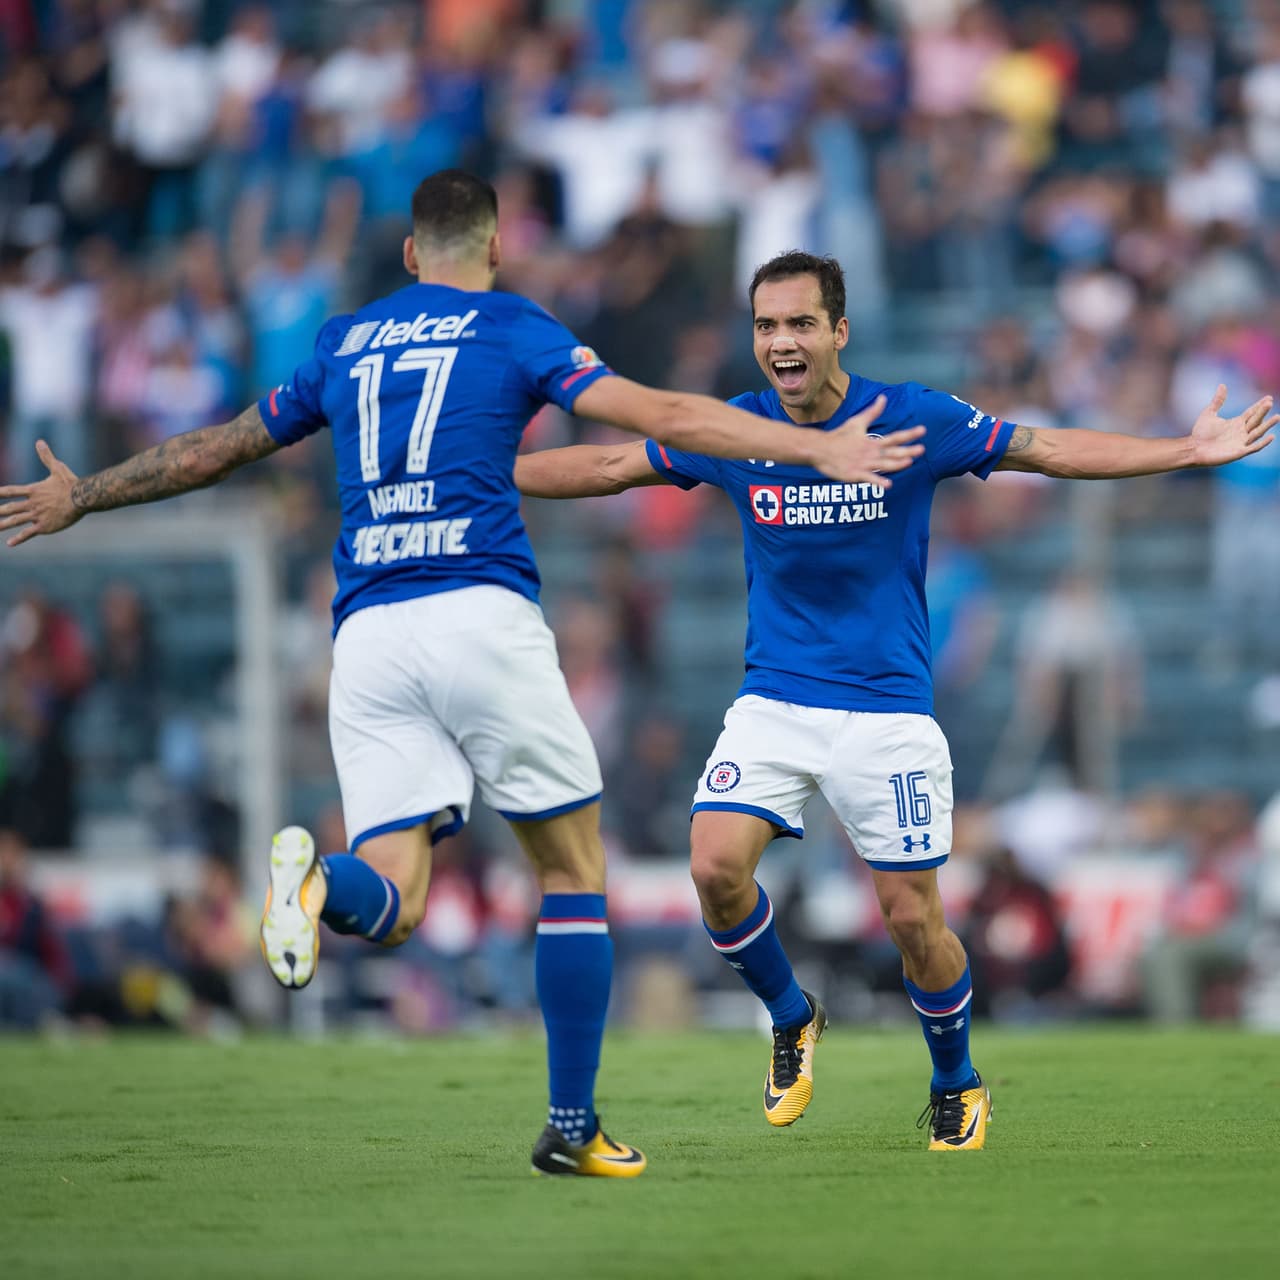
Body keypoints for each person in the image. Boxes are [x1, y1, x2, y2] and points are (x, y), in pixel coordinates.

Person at [0, 174, 925, 1178]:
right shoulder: (512, 325)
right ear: (494, 249)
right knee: (570, 871)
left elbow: (216, 449)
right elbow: (658, 411)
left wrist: (84, 494)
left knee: (394, 898)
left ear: (409, 254)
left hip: (365, 633)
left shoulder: (345, 340)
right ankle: (571, 1124)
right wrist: (810, 446)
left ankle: (316, 880)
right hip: (476, 613)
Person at [512, 249, 1276, 1151]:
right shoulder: (737, 430)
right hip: (776, 702)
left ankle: (955, 1079)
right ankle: (792, 1016)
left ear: (839, 330)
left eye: (801, 323)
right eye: (766, 325)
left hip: (888, 711)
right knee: (714, 870)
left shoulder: (912, 417)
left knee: (914, 919)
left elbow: (1044, 449)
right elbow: (609, 465)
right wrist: (479, 473)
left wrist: (1187, 449)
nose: (782, 341)